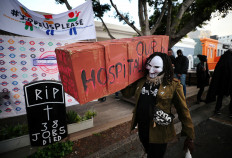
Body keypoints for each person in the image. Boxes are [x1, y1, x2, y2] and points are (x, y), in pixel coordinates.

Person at [122, 52, 194, 158]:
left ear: (165, 68)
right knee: (148, 150)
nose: (151, 70)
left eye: (156, 67)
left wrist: (190, 136)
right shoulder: (141, 81)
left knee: (156, 155)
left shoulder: (173, 85)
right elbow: (126, 93)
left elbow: (183, 110)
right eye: (149, 65)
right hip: (143, 127)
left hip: (160, 132)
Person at [205, 49, 232, 117]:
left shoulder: (222, 59)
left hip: (222, 82)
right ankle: (231, 112)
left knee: (220, 96)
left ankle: (217, 109)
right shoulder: (229, 59)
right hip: (229, 81)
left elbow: (217, 71)